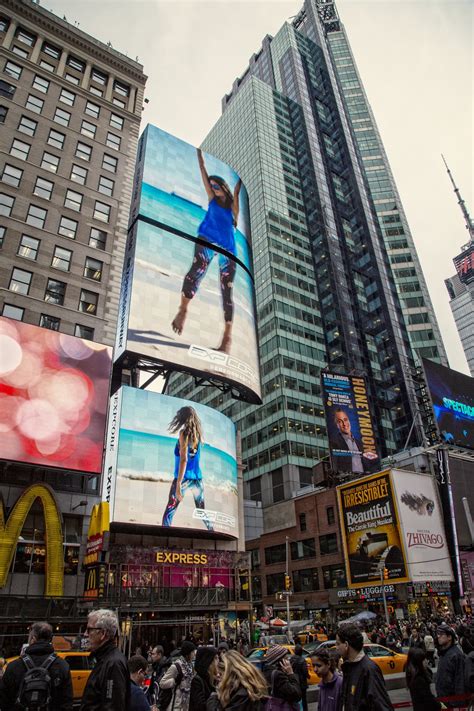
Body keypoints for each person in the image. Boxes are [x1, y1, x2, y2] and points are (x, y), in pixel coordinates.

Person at [171, 148, 242, 354]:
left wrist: (238, 186)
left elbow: (237, 193)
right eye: (211, 186)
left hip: (228, 248)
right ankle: (183, 310)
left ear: (224, 188)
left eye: (216, 186)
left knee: (226, 290)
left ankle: (227, 338)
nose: (212, 188)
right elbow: (203, 171)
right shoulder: (211, 199)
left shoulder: (232, 209)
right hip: (206, 239)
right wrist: (200, 159)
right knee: (195, 273)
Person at [0, 621, 73, 711]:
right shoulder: (62, 666)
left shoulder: (13, 666)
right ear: (51, 639)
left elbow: (4, 702)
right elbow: (67, 702)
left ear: (33, 639)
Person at [161, 406, 213, 531]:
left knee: (170, 510)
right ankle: (212, 531)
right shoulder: (198, 436)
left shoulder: (183, 434)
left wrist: (178, 482)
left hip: (184, 479)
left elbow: (184, 459)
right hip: (197, 480)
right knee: (201, 511)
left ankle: (164, 536)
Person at [80, 608, 130, 711]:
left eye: (89, 630)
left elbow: (113, 706)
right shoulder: (104, 659)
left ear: (103, 633)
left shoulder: (113, 663)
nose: (85, 634)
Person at [335, 623, 393, 710]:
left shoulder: (369, 670)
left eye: (338, 644)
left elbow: (382, 706)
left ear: (346, 645)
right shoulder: (349, 667)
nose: (336, 647)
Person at [329, 407, 378, 473]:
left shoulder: (359, 443)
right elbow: (336, 467)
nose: (344, 424)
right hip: (349, 480)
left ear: (349, 420)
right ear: (337, 425)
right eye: (340, 421)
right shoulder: (334, 443)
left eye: (345, 419)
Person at [159, 640, 196, 711]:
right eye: (192, 652)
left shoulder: (191, 666)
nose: (194, 654)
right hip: (176, 706)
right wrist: (174, 681)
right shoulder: (176, 666)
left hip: (187, 705)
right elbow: (162, 683)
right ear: (187, 653)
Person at [435, 624, 466, 704]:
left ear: (449, 637)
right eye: (438, 634)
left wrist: (457, 703)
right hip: (443, 700)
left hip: (453, 702)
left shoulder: (456, 655)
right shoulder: (443, 653)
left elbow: (460, 682)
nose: (438, 636)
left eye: (441, 634)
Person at [189, 645, 218, 711]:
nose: (218, 661)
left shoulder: (213, 679)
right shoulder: (197, 681)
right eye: (215, 658)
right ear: (209, 662)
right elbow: (200, 706)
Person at [290, 645, 309, 711]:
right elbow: (305, 671)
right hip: (302, 682)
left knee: (295, 698)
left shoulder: (291, 659)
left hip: (294, 681)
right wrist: (308, 676)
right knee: (304, 699)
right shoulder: (302, 660)